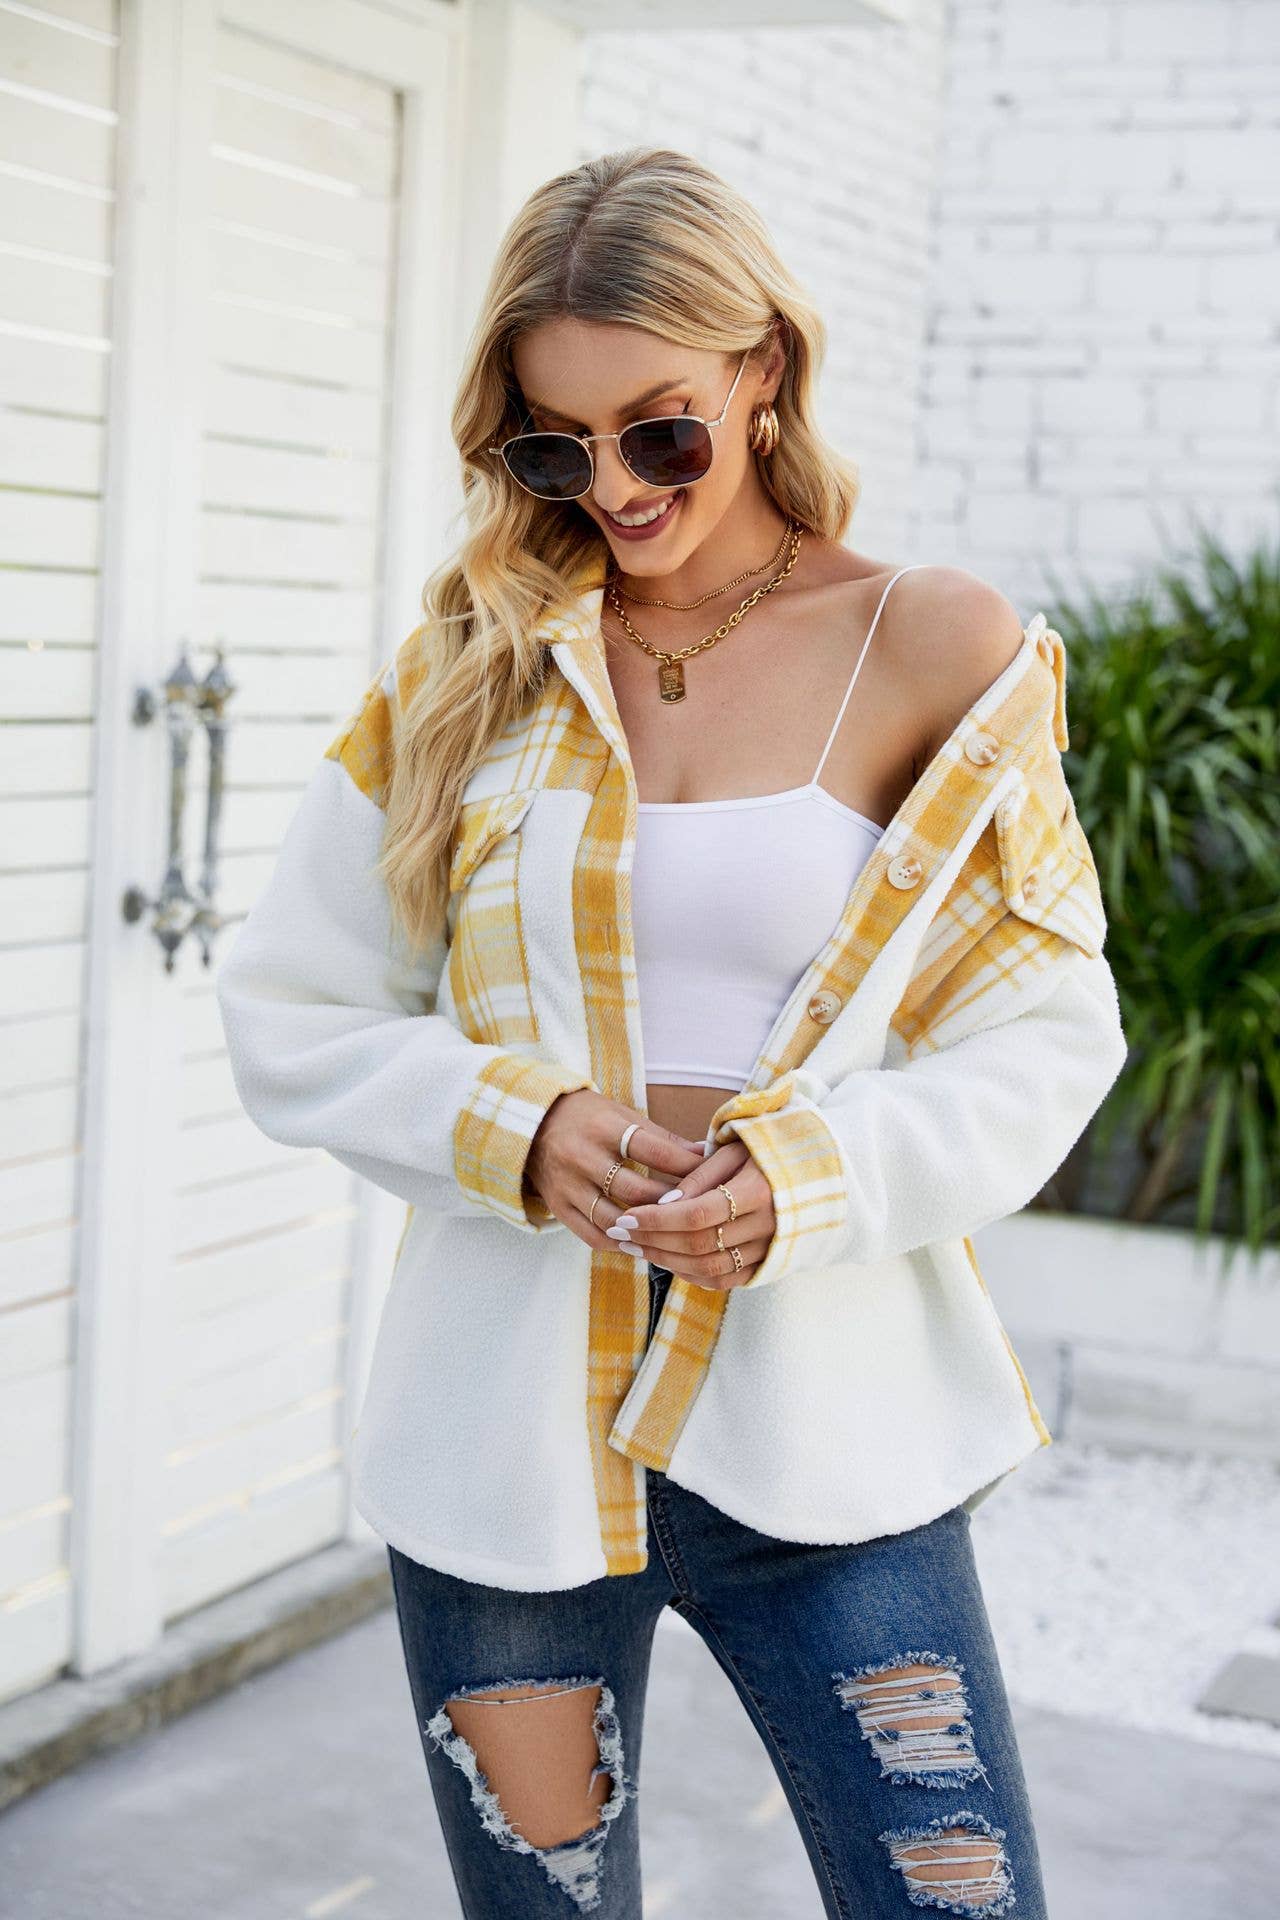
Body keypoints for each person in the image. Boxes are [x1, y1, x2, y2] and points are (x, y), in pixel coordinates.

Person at [217, 146, 1127, 1919]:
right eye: (557, 450)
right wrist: (512, 1127)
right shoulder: (464, 669)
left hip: (836, 1440)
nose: (617, 492)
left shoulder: (932, 644)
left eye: (660, 433)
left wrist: (815, 1179)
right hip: (501, 1460)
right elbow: (291, 1005)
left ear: (763, 366)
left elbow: (1046, 1032)